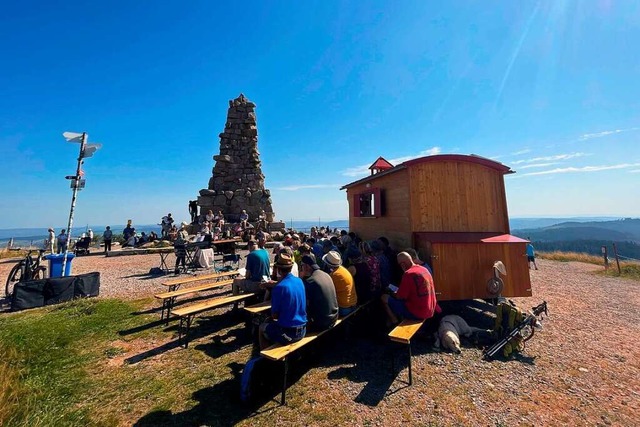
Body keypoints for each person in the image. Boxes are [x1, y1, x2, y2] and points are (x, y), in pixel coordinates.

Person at [258, 253, 307, 350]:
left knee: (262, 327)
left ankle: (265, 357)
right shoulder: (299, 281)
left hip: (289, 333)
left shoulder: (279, 288)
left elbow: (275, 315)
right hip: (303, 329)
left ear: (278, 270)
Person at [381, 252, 438, 328]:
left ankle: (394, 322)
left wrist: (391, 292)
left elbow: (399, 297)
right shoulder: (424, 269)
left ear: (402, 265)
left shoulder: (408, 274)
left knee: (384, 298)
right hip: (430, 311)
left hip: (418, 313)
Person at [300, 255, 338, 331]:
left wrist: (301, 279)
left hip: (322, 322)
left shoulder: (310, 281)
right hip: (334, 317)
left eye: (301, 265)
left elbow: (304, 305)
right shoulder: (326, 274)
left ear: (307, 266)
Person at [322, 250, 358, 317]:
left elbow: (329, 293)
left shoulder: (334, 275)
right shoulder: (343, 269)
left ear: (328, 264)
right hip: (353, 303)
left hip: (344, 307)